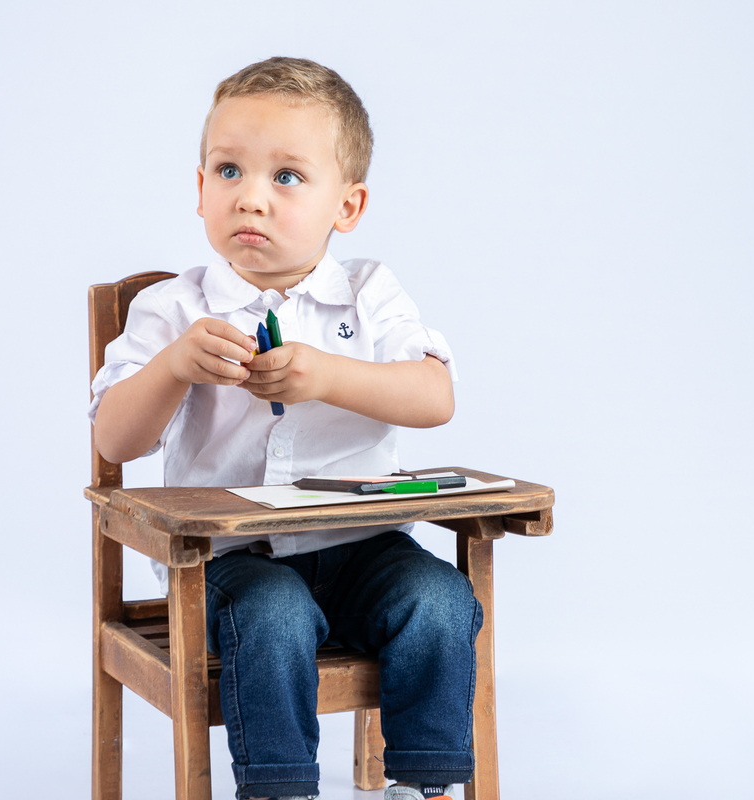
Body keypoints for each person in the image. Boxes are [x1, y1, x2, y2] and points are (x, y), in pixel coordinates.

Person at [89, 56, 479, 800]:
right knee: (274, 612)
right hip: (228, 565)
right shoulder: (174, 309)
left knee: (439, 598)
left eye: (287, 177)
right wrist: (175, 367)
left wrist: (330, 376)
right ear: (199, 190)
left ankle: (421, 786)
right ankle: (280, 789)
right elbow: (116, 442)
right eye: (229, 171)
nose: (252, 201)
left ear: (348, 206)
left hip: (364, 550)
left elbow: (435, 397)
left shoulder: (369, 295)